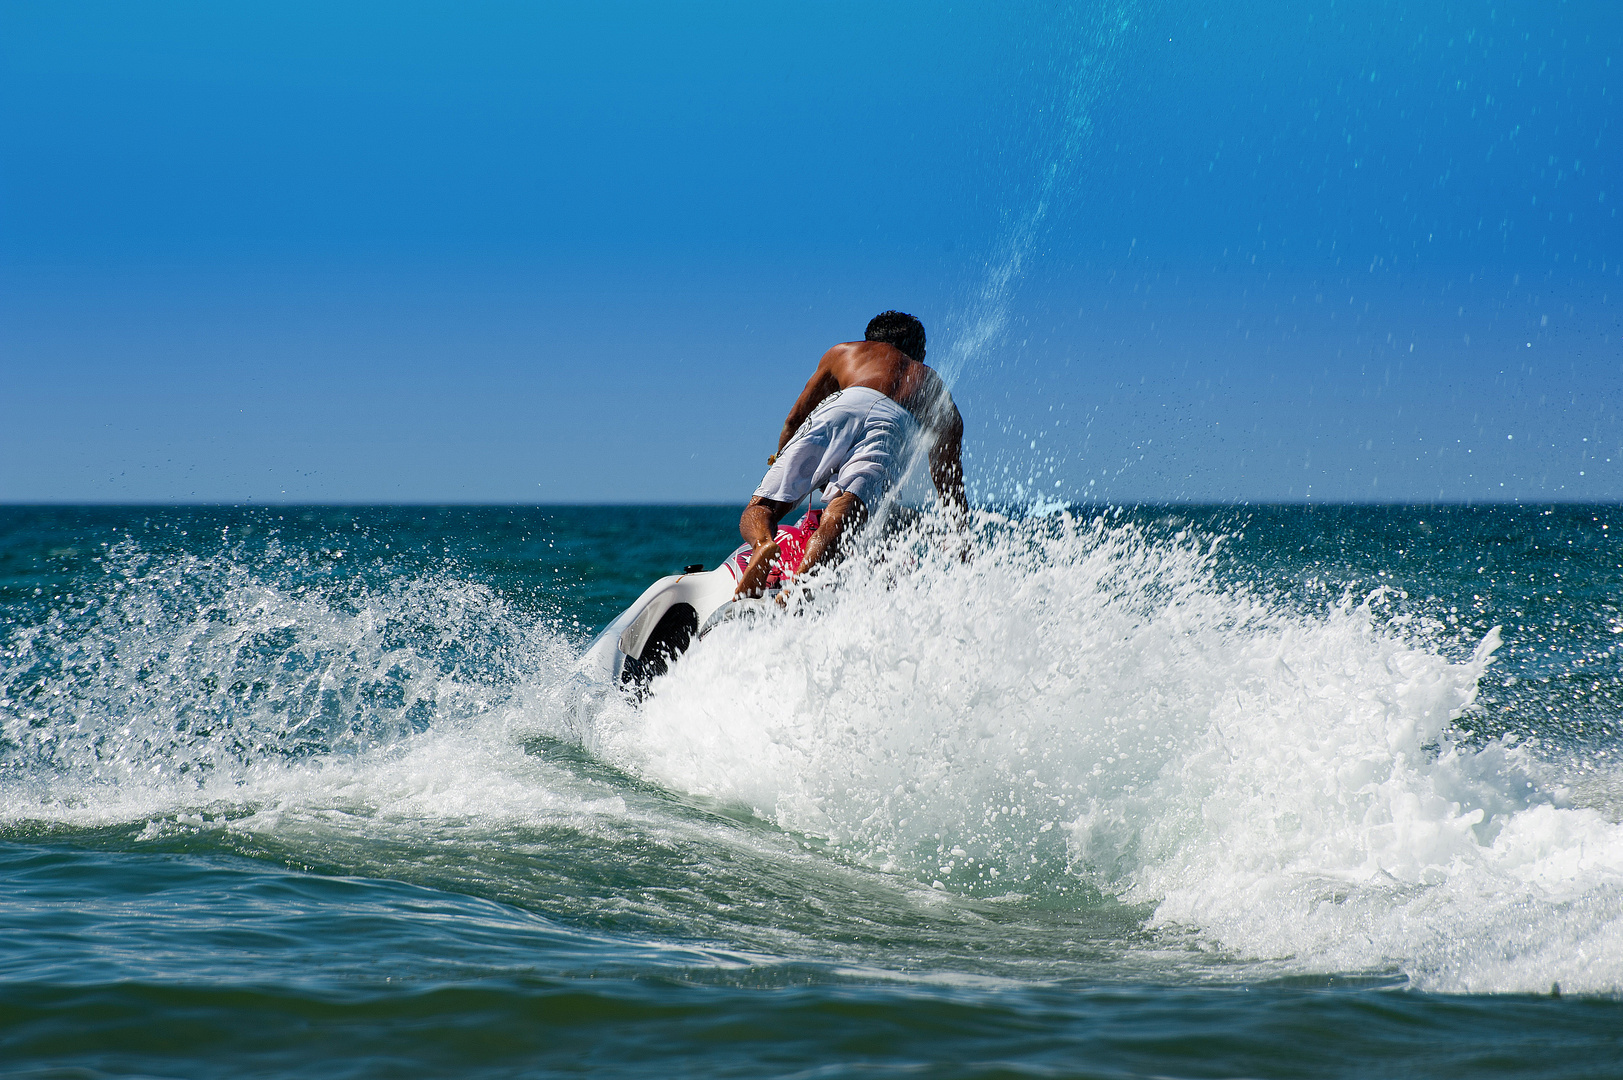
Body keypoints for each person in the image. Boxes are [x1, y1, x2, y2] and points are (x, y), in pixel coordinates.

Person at [733, 311, 967, 599]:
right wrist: (960, 531)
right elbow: (948, 473)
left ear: (870, 341)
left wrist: (783, 460)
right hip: (894, 424)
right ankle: (796, 593)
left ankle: (763, 546)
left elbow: (794, 420)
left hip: (843, 405)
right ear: (919, 351)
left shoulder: (845, 352)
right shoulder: (932, 384)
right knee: (841, 518)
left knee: (764, 505)